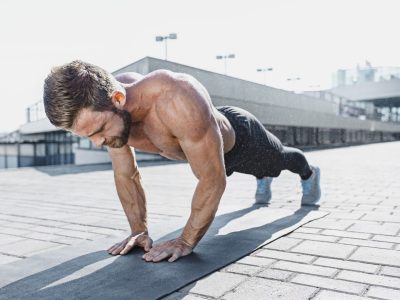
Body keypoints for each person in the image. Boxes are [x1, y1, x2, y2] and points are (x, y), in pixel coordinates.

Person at [43, 60, 321, 263]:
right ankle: (263, 179)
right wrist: (138, 231)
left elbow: (212, 180)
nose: (98, 142)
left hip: (242, 141)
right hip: (204, 145)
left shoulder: (176, 97)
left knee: (280, 160)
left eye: (98, 131)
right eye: (88, 136)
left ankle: (309, 174)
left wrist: (186, 240)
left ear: (118, 99)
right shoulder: (110, 111)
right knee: (223, 167)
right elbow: (126, 175)